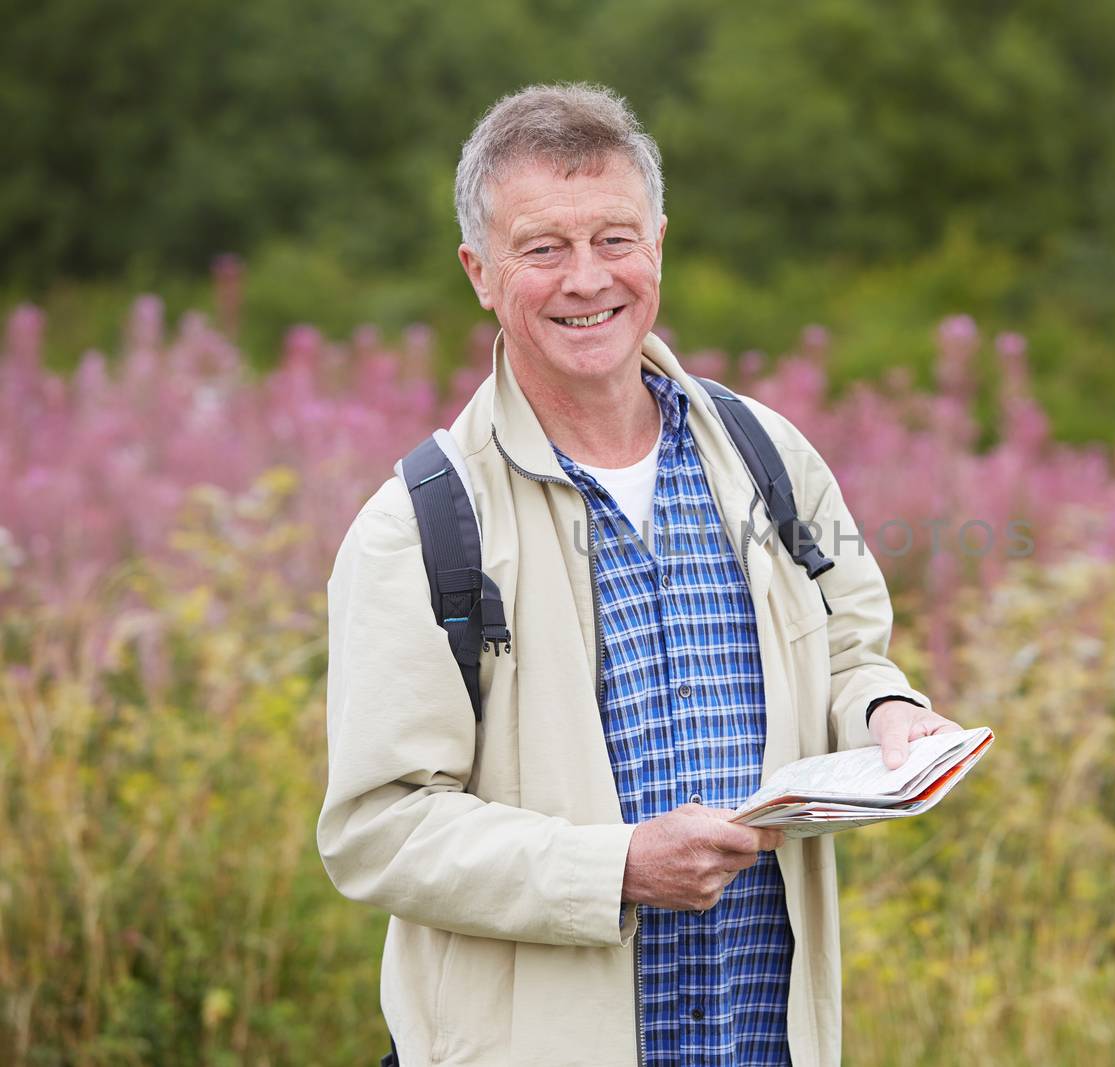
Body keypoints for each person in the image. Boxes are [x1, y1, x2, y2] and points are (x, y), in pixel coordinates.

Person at [317, 82, 959, 1067]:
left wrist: (885, 711)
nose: (587, 279)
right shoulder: (421, 522)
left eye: (613, 239)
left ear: (657, 241)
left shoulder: (769, 454)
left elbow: (845, 647)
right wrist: (613, 866)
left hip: (762, 1042)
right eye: (543, 249)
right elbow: (378, 827)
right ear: (479, 272)